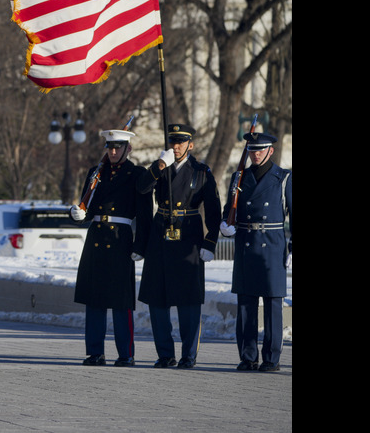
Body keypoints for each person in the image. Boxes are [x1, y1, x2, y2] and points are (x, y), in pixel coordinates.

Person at [135, 124, 221, 369]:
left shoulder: (201, 171)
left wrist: (210, 241)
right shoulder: (160, 167)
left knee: (188, 301)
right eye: (173, 141)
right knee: (157, 299)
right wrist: (159, 166)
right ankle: (165, 354)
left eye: (181, 142)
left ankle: (188, 355)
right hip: (161, 234)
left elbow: (214, 211)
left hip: (189, 237)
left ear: (190, 145)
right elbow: (141, 188)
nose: (176, 146)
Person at [70, 128, 152, 367]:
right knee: (94, 299)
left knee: (120, 301)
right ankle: (95, 351)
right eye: (110, 147)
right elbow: (87, 206)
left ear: (129, 149)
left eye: (118, 147)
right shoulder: (95, 172)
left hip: (120, 240)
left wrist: (140, 246)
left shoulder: (137, 174)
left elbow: (145, 216)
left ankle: (126, 353)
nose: (113, 151)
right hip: (96, 237)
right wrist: (77, 214)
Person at [220, 132, 292, 372]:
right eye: (252, 150)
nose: (255, 154)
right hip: (246, 243)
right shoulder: (239, 177)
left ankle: (271, 358)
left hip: (272, 246)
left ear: (270, 151)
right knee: (246, 304)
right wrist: (226, 225)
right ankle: (248, 356)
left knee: (273, 304)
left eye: (260, 150)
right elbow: (229, 208)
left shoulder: (283, 178)